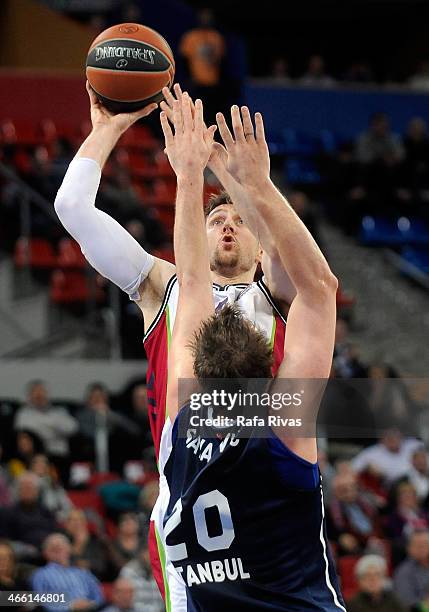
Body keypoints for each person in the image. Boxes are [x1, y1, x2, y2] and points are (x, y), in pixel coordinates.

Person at [54, 82, 293, 596]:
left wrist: (242, 179)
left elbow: (301, 265)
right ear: (196, 233)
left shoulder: (280, 294)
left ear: (259, 245)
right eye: (215, 218)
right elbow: (73, 207)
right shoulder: (162, 285)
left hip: (272, 494)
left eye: (238, 220)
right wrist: (107, 127)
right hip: (190, 505)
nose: (227, 226)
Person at [155, 94, 344, 609]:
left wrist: (188, 176)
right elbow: (320, 287)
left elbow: (191, 283)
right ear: (269, 365)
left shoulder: (180, 425)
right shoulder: (281, 424)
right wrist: (255, 184)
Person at [14, 380, 78, 483]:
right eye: (35, 392)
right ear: (29, 396)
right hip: (33, 456)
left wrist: (43, 425)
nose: (39, 395)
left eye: (42, 391)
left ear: (47, 394)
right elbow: (26, 432)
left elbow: (72, 428)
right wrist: (53, 426)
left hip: (58, 455)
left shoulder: (59, 411)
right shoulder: (23, 413)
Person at [32, 533, 104, 612]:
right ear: (45, 553)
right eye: (53, 548)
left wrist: (90, 604)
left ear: (70, 549)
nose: (58, 548)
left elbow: (98, 595)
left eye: (61, 546)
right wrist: (70, 606)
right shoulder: (40, 575)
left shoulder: (82, 573)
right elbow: (40, 601)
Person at [120, 544, 164, 612]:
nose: (152, 556)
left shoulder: (163, 570)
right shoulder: (128, 571)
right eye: (149, 552)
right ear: (141, 554)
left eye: (155, 552)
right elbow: (124, 601)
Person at [394, 530, 429, 608]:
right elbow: (406, 603)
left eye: (425, 544)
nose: (422, 549)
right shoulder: (403, 572)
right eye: (418, 545)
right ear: (409, 548)